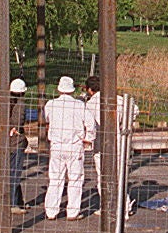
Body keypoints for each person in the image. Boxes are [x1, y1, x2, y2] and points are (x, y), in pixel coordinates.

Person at [83, 75, 138, 217]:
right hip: (119, 138)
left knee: (103, 175)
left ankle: (108, 206)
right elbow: (135, 109)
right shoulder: (118, 99)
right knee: (120, 174)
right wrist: (124, 123)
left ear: (89, 90)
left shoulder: (90, 105)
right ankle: (125, 206)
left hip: (101, 141)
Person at [42, 76, 86, 220]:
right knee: (75, 179)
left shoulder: (50, 104)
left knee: (55, 179)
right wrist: (88, 138)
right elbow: (90, 124)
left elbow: (46, 119)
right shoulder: (79, 105)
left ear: (59, 89)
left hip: (57, 146)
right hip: (74, 145)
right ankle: (72, 212)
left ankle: (51, 211)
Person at [7, 78, 29, 213]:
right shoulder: (20, 105)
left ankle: (19, 202)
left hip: (7, 142)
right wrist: (14, 128)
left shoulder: (5, 102)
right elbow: (19, 122)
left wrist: (3, 129)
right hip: (16, 143)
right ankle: (13, 204)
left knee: (13, 171)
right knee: (15, 172)